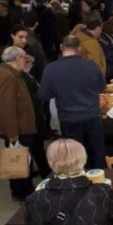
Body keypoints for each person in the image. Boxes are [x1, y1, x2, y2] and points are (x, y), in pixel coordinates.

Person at [39, 36, 106, 169]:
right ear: (79, 48)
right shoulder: (91, 65)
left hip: (69, 119)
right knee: (97, 153)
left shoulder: (51, 69)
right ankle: (100, 182)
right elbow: (102, 86)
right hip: (92, 116)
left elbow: (44, 95)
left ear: (61, 48)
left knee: (75, 156)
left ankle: (78, 183)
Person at [0, 46, 36, 200]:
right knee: (21, 161)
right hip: (18, 128)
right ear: (17, 59)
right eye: (24, 58)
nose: (26, 61)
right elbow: (6, 108)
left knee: (15, 160)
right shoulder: (8, 77)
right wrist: (13, 134)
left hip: (16, 127)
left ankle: (18, 191)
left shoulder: (2, 72)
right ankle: (24, 193)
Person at [19, 54, 52, 178]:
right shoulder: (24, 79)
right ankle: (45, 172)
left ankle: (41, 170)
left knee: (35, 148)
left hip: (34, 116)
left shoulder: (26, 77)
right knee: (36, 147)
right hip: (33, 118)